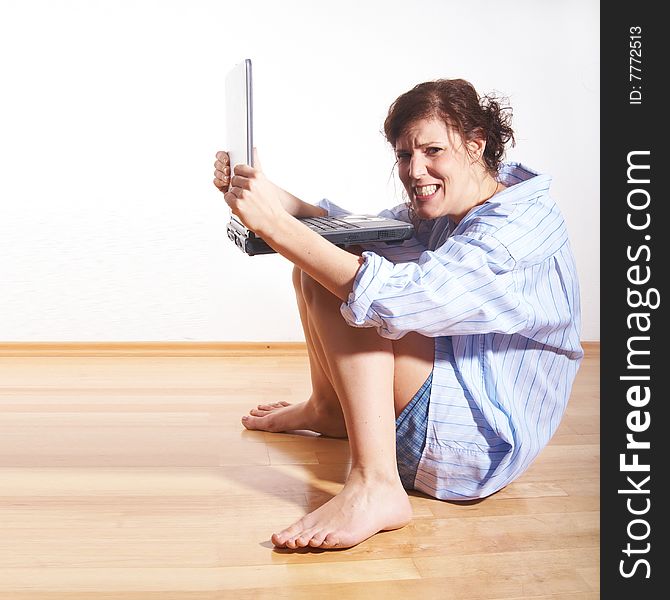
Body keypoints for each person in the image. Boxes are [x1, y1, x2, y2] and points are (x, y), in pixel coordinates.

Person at [212, 78, 583, 550]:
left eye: (433, 151)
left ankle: (377, 484)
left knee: (348, 288)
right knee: (330, 258)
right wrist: (264, 193)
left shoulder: (515, 230)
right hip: (443, 414)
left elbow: (397, 297)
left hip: (472, 447)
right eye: (405, 156)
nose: (415, 169)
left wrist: (277, 226)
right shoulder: (459, 201)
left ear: (475, 145)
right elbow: (357, 231)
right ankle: (330, 411)